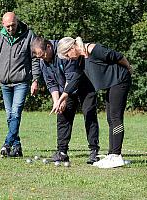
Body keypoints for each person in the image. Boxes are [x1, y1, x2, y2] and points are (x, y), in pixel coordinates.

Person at [55, 36, 132, 168]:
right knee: (110, 118)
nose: (68, 58)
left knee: (115, 117)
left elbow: (118, 56)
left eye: (67, 55)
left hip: (120, 81)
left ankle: (116, 156)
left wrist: (129, 67)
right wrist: (64, 95)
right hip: (112, 84)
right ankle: (112, 154)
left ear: (72, 48)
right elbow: (77, 78)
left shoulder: (93, 49)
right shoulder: (80, 59)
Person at [31, 36, 100, 164]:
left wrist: (63, 98)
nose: (42, 59)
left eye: (43, 55)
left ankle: (94, 151)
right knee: (62, 116)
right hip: (65, 89)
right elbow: (51, 83)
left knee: (89, 114)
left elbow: (72, 76)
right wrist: (57, 102)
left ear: (49, 47)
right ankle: (62, 152)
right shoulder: (43, 61)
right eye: (39, 57)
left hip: (84, 84)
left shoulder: (63, 50)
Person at [0, 12, 40, 158]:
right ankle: (17, 147)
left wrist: (35, 79)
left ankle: (7, 144)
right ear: (3, 24)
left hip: (21, 82)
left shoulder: (28, 35)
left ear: (17, 22)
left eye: (13, 25)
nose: (11, 28)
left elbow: (35, 60)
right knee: (9, 116)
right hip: (5, 84)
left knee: (15, 113)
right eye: (8, 26)